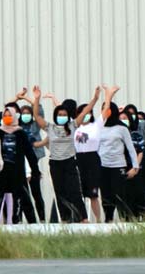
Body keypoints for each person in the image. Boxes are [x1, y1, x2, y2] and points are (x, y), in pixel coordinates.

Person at [32, 85, 95, 222]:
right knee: (60, 192)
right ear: (56, 116)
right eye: (59, 115)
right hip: (55, 163)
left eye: (64, 115)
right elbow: (36, 115)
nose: (62, 117)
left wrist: (95, 98)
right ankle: (65, 219)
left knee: (75, 191)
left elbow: (85, 111)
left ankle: (83, 218)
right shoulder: (50, 127)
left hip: (70, 162)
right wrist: (37, 99)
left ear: (68, 116)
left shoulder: (72, 126)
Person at [98, 87, 139, 222]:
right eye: (103, 109)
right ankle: (108, 218)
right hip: (103, 166)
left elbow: (131, 148)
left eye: (107, 108)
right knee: (106, 195)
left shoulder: (122, 128)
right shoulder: (98, 127)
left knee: (119, 194)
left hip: (118, 165)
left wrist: (135, 166)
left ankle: (124, 219)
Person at [0, 105, 40, 225]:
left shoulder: (20, 133)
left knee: (22, 196)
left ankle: (29, 222)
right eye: (5, 116)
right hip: (2, 170)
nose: (7, 118)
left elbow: (29, 152)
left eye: (10, 115)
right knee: (0, 196)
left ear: (14, 117)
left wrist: (35, 169)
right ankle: (4, 221)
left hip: (17, 171)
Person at [13, 90, 46, 223]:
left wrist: (30, 99)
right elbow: (8, 110)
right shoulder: (16, 126)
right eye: (23, 113)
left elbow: (39, 111)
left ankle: (42, 219)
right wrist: (17, 98)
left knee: (36, 192)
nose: (26, 115)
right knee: (22, 193)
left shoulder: (35, 125)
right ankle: (20, 219)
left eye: (28, 113)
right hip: (20, 163)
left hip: (33, 161)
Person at [74, 98, 105, 222]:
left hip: (92, 158)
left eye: (88, 112)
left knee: (93, 194)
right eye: (83, 113)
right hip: (78, 158)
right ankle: (82, 218)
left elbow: (106, 110)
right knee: (78, 192)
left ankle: (98, 219)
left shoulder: (96, 125)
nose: (86, 115)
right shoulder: (75, 127)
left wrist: (108, 95)